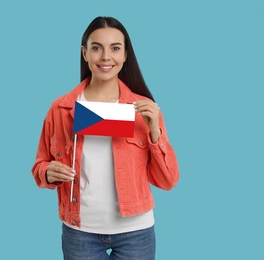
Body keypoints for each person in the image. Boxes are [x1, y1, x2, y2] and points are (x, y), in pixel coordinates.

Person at [31, 16, 179, 260]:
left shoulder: (144, 110)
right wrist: (47, 173)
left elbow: (168, 180)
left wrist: (155, 132)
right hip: (80, 231)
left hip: (135, 231)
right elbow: (39, 166)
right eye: (96, 48)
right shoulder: (61, 109)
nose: (105, 57)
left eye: (115, 48)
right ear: (85, 53)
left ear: (125, 55)